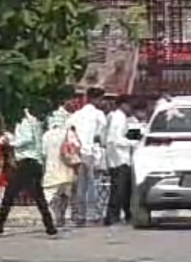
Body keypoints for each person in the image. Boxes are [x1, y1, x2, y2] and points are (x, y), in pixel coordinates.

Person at [0, 109, 58, 236]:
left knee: (10, 193)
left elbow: (26, 139)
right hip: (35, 161)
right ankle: (49, 226)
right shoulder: (34, 121)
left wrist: (10, 143)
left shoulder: (24, 121)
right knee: (39, 197)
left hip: (26, 162)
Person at [67, 87, 107, 225]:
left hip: (78, 153)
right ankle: (94, 215)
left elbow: (69, 131)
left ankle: (79, 216)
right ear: (96, 99)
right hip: (91, 153)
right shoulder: (98, 115)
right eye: (101, 99)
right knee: (93, 185)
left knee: (79, 186)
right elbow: (101, 136)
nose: (103, 102)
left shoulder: (76, 115)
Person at [42, 109, 77, 227]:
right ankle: (61, 215)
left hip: (51, 168)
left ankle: (54, 215)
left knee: (50, 194)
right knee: (65, 194)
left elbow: (43, 152)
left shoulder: (46, 135)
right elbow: (76, 146)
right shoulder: (68, 133)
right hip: (66, 167)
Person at [103, 96, 134, 226]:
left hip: (120, 158)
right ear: (123, 105)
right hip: (120, 158)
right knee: (119, 189)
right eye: (129, 105)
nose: (130, 108)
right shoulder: (118, 118)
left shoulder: (120, 118)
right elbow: (115, 139)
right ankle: (112, 217)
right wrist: (133, 143)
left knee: (126, 189)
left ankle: (128, 215)